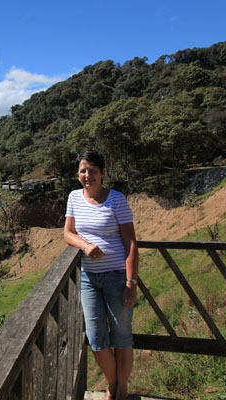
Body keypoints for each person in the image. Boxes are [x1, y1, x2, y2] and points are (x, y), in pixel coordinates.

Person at [63, 150, 139, 400]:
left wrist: (131, 282)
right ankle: (114, 383)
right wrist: (84, 245)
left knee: (122, 336)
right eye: (83, 171)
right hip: (89, 279)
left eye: (92, 170)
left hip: (117, 276)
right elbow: (68, 233)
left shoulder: (116, 200)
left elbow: (130, 242)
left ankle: (120, 389)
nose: (87, 175)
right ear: (78, 174)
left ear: (103, 173)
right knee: (96, 338)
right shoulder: (74, 198)